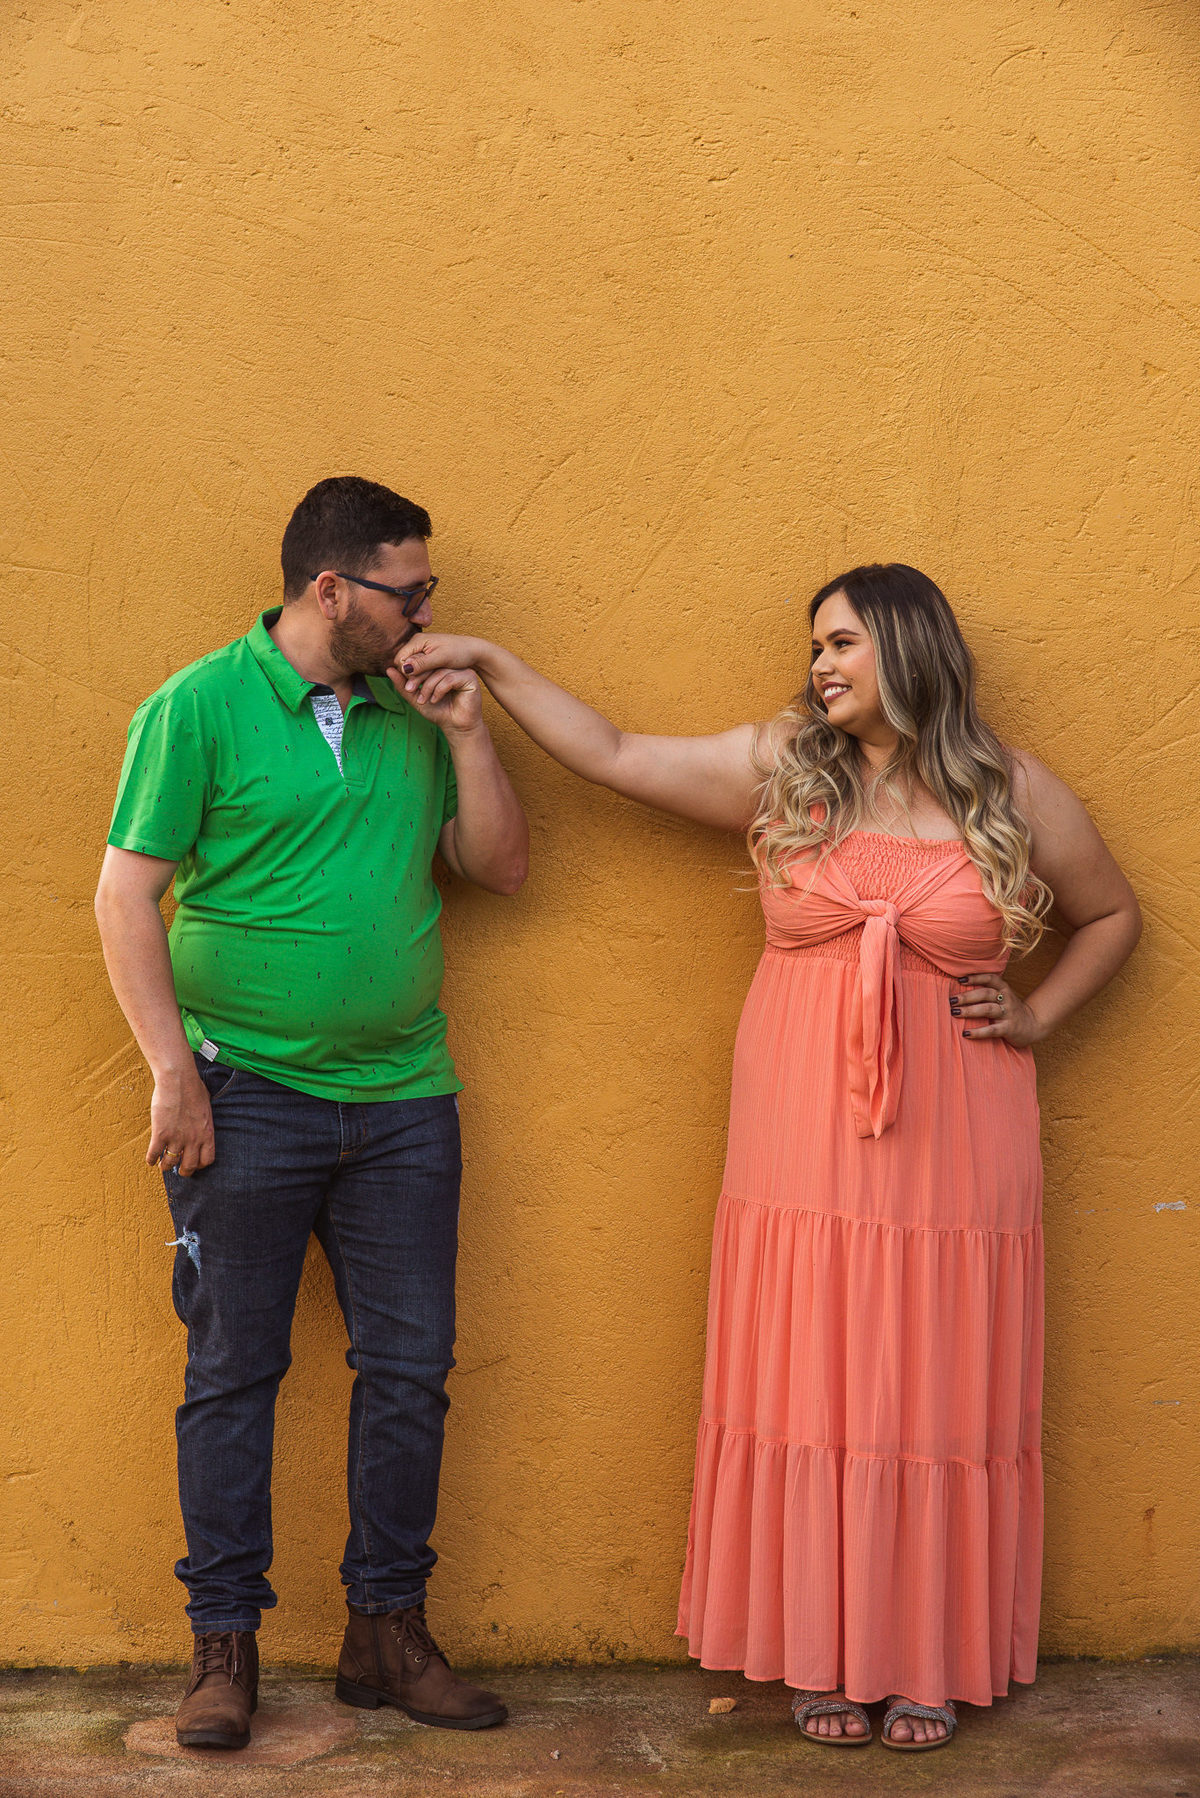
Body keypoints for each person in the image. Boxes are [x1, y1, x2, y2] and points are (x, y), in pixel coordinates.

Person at [393, 562, 1141, 1753]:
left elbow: (1113, 914)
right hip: (800, 1139)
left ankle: (924, 1657)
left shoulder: (1011, 788)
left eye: (841, 642)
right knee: (811, 1374)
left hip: (960, 1136)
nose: (820, 665)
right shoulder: (789, 765)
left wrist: (1039, 1013)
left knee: (934, 1383)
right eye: (816, 646)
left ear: (908, 646)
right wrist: (490, 664)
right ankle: (821, 1651)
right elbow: (616, 752)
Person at [94, 476, 528, 1750]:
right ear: (331, 589)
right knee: (233, 1371)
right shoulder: (199, 705)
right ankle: (223, 1646)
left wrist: (468, 733)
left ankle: (386, 1630)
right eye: (410, 591)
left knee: (409, 1370)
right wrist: (173, 1072)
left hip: (405, 1099)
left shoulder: (413, 711)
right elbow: (125, 896)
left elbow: (500, 867)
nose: (427, 613)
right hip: (244, 1096)